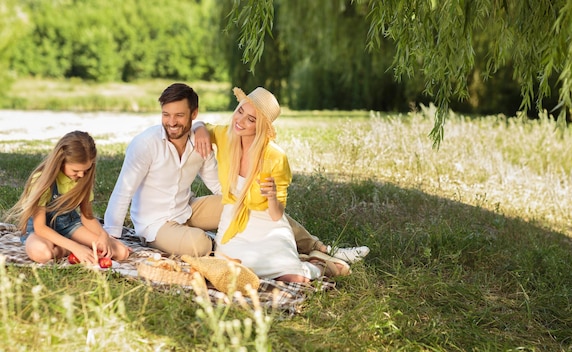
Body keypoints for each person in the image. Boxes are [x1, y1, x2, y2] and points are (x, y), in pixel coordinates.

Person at [103, 83, 368, 264]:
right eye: (166, 115)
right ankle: (263, 254)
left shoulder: (200, 141)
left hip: (187, 210)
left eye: (180, 116)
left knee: (254, 203)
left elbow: (218, 185)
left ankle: (319, 248)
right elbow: (122, 191)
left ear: (193, 114)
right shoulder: (145, 144)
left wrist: (246, 202)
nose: (172, 122)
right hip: (155, 224)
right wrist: (112, 238)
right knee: (202, 246)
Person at [202, 86, 345, 282]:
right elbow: (202, 127)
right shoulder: (226, 136)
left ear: (260, 126)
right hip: (234, 224)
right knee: (233, 274)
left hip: (267, 226)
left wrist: (272, 196)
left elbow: (277, 214)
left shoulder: (276, 157)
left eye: (251, 119)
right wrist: (200, 129)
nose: (240, 121)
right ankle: (302, 258)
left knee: (294, 278)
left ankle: (318, 266)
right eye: (241, 111)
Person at [5, 131, 130, 264]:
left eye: (86, 170)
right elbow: (40, 228)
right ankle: (69, 249)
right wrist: (75, 247)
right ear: (60, 161)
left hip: (69, 226)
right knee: (42, 253)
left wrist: (103, 235)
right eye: (76, 171)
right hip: (41, 232)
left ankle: (71, 247)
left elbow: (87, 216)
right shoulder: (42, 181)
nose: (81, 175)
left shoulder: (83, 178)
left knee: (121, 252)